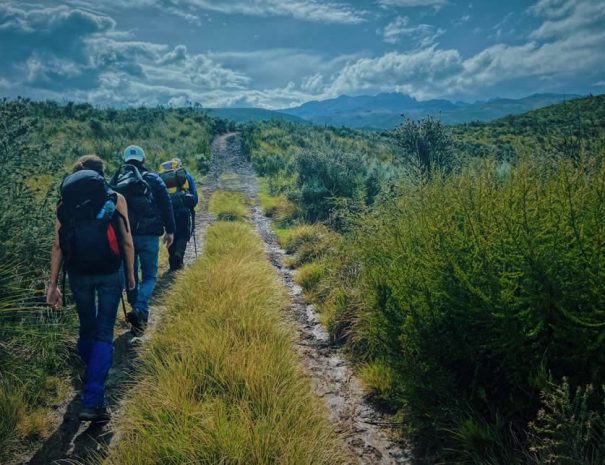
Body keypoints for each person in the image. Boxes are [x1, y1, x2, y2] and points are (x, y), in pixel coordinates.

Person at [46, 155, 136, 422]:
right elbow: (127, 241)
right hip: (110, 271)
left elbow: (58, 245)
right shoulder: (115, 198)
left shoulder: (65, 203)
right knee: (104, 330)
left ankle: (90, 373)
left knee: (86, 326)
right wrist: (130, 275)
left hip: (78, 273)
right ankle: (93, 398)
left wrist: (52, 285)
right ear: (102, 174)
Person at [111, 145, 175, 334]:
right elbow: (166, 204)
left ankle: (138, 314)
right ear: (143, 160)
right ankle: (139, 309)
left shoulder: (116, 180)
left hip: (125, 237)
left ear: (125, 160)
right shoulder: (154, 179)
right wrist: (170, 231)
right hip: (149, 236)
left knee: (131, 274)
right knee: (149, 275)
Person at [158, 158, 198, 270]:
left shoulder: (161, 177)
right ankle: (179, 254)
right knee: (183, 234)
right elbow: (194, 198)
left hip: (167, 211)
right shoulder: (186, 176)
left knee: (171, 233)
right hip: (183, 210)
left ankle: (172, 258)